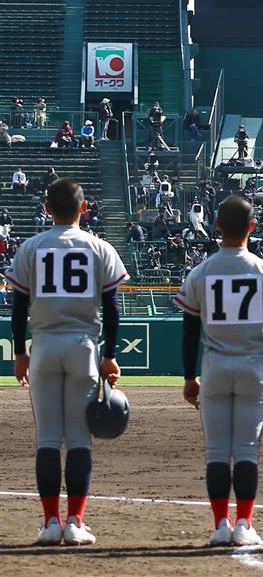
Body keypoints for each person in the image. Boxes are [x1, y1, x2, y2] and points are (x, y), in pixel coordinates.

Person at [5, 178, 128, 546]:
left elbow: (18, 307)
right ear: (84, 206)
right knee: (78, 439)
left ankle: (50, 523)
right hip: (83, 346)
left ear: (46, 207)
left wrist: (21, 352)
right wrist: (109, 356)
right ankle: (75, 522)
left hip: (43, 344)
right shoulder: (99, 247)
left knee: (47, 439)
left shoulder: (31, 247)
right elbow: (111, 308)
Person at [175, 193, 263, 547]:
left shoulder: (201, 271)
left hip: (214, 365)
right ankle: (244, 524)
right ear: (253, 228)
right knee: (245, 449)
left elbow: (190, 331)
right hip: (252, 365)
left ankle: (220, 526)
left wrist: (188, 376)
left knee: (215, 451)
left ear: (216, 227)